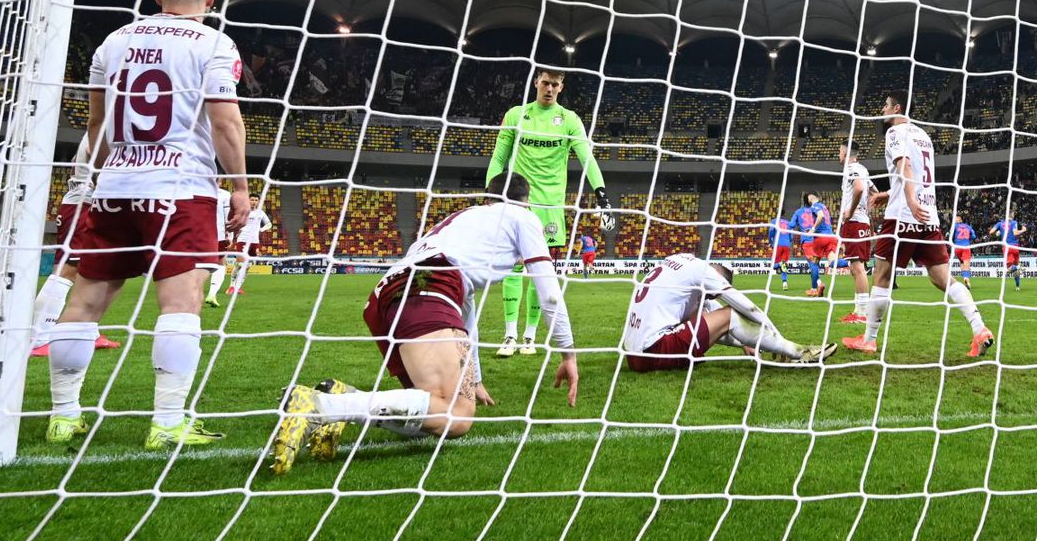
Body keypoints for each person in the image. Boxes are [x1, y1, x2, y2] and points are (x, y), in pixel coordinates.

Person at [45, 0, 249, 449]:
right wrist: (241, 186)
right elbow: (225, 122)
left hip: (115, 185)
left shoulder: (114, 41)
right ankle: (167, 422)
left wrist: (103, 176)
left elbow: (97, 124)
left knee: (86, 300)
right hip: (181, 188)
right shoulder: (214, 43)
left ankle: (63, 416)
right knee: (181, 303)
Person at [270, 172, 579, 475]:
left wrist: (474, 379)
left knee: (431, 417)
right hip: (429, 288)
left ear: (488, 199)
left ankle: (343, 398)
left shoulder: (464, 219)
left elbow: (465, 309)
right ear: (526, 202)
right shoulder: (523, 217)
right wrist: (568, 354)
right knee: (458, 416)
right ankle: (322, 407)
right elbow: (550, 294)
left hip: (389, 295)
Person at [842, 92, 993, 357]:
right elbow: (921, 176)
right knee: (942, 278)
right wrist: (889, 193)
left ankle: (869, 339)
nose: (882, 109)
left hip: (903, 215)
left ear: (897, 108)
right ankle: (979, 328)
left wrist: (909, 200)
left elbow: (905, 166)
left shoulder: (895, 132)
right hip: (929, 216)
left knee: (881, 275)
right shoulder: (923, 135)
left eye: (885, 105)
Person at [486, 68, 614, 357]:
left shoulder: (570, 120)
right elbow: (498, 158)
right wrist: (490, 195)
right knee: (514, 269)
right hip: (517, 205)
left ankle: (529, 337)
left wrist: (602, 196)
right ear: (536, 82)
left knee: (540, 274)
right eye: (545, 82)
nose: (549, 88)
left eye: (555, 84)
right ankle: (510, 335)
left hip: (551, 210)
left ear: (561, 87)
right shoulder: (516, 115)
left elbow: (587, 158)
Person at [622, 254, 836, 371]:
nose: (708, 299)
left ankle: (793, 351)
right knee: (731, 314)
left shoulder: (679, 264)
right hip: (655, 351)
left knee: (706, 315)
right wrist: (780, 340)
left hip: (633, 357)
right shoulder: (703, 272)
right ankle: (801, 353)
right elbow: (746, 307)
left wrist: (746, 342)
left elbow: (709, 316)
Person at [30, 136, 120, 357]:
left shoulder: (104, 127)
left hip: (90, 200)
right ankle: (39, 337)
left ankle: (89, 331)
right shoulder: (102, 127)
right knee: (68, 269)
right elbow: (94, 153)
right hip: (84, 201)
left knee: (97, 271)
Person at [838, 143, 876, 323]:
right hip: (861, 221)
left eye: (840, 151)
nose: (839, 154)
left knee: (858, 268)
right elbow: (874, 192)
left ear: (845, 152)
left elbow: (859, 188)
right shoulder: (863, 169)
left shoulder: (851, 169)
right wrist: (867, 209)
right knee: (855, 267)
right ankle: (858, 310)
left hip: (854, 222)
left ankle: (862, 313)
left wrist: (852, 211)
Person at [226, 193, 272, 295]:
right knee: (240, 265)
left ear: (258, 202)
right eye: (252, 200)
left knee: (247, 266)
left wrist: (261, 229)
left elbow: (269, 224)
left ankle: (239, 287)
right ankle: (231, 286)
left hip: (254, 242)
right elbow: (234, 224)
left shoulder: (261, 213)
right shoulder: (243, 212)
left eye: (256, 200)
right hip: (242, 239)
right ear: (248, 201)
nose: (254, 202)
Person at [802, 191, 838, 298]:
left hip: (821, 239)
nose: (810, 199)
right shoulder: (824, 207)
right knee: (833, 263)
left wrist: (813, 229)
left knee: (814, 264)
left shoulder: (815, 206)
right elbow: (824, 221)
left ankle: (814, 289)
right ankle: (851, 263)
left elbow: (820, 216)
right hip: (831, 237)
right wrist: (813, 228)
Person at [204, 186, 234, 307]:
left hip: (196, 234)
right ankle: (212, 294)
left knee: (195, 264)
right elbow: (228, 218)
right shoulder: (224, 194)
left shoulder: (193, 188)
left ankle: (190, 295)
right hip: (217, 235)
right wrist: (230, 236)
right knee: (220, 264)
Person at [989, 210, 1026, 291]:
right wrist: (1023, 230)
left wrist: (998, 232)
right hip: (1015, 247)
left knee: (1010, 267)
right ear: (1012, 216)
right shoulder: (1013, 222)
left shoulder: (999, 223)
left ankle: (1013, 269)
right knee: (1015, 268)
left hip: (1007, 247)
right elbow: (1015, 233)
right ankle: (1017, 286)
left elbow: (991, 232)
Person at [788, 199, 817, 295]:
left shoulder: (798, 212)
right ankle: (818, 284)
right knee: (815, 264)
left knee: (812, 264)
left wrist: (797, 222)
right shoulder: (815, 210)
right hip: (818, 239)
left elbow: (791, 225)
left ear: (803, 202)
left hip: (807, 240)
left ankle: (815, 288)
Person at [767, 208, 792, 291]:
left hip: (778, 244)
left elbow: (771, 231)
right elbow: (791, 236)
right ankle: (785, 283)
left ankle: (780, 263)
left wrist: (770, 241)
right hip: (787, 245)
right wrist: (788, 242)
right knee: (783, 265)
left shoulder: (774, 221)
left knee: (773, 266)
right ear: (784, 214)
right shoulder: (788, 223)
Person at [950, 214, 976, 289]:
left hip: (957, 247)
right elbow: (974, 236)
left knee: (962, 263)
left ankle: (965, 278)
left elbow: (950, 235)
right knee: (967, 265)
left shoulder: (954, 226)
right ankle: (966, 279)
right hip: (966, 246)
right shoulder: (968, 227)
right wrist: (968, 239)